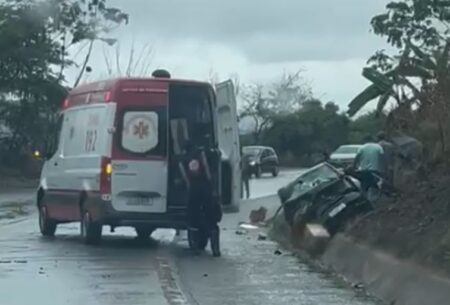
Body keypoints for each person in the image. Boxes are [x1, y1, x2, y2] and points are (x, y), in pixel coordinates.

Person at [352, 135, 385, 199]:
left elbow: (357, 158)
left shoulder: (362, 147)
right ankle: (375, 200)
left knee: (364, 187)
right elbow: (382, 158)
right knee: (375, 187)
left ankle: (364, 200)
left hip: (364, 171)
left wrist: (354, 167)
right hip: (375, 171)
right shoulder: (378, 147)